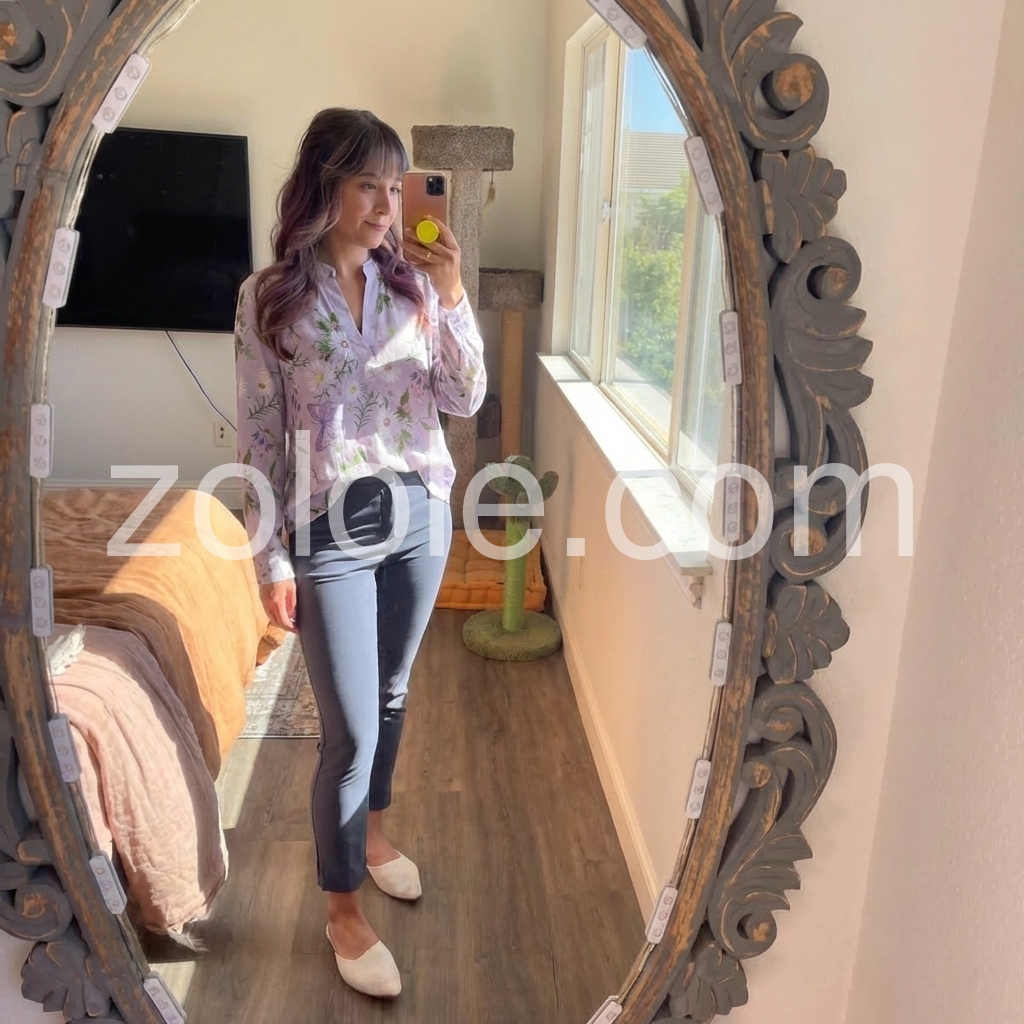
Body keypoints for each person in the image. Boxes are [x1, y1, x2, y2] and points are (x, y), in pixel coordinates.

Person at [233, 108, 486, 998]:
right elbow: (258, 435)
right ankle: (341, 909)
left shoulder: (413, 287)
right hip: (327, 524)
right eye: (366, 185)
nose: (385, 205)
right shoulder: (271, 297)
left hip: (419, 509)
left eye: (393, 187)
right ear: (325, 186)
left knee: (392, 691)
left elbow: (463, 396)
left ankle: (375, 837)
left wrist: (454, 295)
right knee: (348, 729)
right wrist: (269, 558)